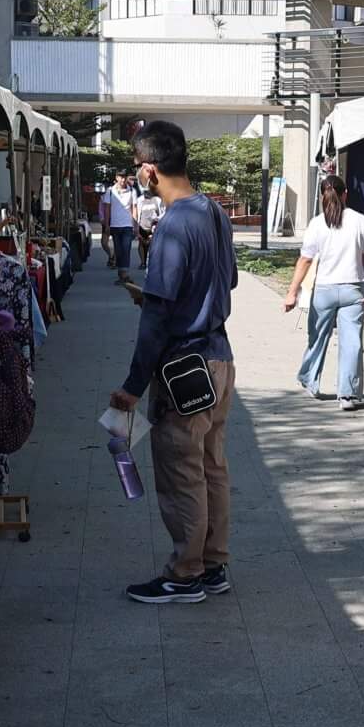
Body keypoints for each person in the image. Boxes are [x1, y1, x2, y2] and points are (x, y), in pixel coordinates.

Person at [111, 121, 237, 605]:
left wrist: (133, 385)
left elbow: (160, 318)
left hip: (184, 366)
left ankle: (184, 573)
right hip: (220, 358)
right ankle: (213, 564)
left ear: (148, 170)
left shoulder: (172, 226)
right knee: (211, 468)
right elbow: (226, 283)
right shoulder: (214, 212)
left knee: (182, 471)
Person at [283, 174, 364, 410]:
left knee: (317, 338)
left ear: (322, 196)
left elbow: (305, 261)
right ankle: (347, 395)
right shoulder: (361, 221)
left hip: (324, 291)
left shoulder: (317, 224)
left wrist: (292, 292)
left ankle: (310, 380)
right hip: (353, 290)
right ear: (345, 194)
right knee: (351, 343)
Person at [102, 171, 141, 278]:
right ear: (117, 178)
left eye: (125, 177)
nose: (123, 180)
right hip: (115, 225)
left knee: (126, 248)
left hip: (127, 225)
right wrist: (107, 225)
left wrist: (136, 226)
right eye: (121, 177)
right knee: (118, 250)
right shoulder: (110, 191)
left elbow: (134, 208)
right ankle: (121, 272)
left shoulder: (132, 190)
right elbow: (107, 209)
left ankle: (125, 273)